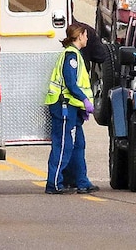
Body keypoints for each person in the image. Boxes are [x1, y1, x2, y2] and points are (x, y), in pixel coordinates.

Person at [44, 23, 98, 195]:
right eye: (86, 35)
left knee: (78, 144)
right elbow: (71, 83)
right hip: (64, 107)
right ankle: (54, 183)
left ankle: (82, 181)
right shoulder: (71, 56)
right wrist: (84, 100)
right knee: (64, 145)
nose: (87, 38)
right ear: (80, 35)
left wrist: (83, 107)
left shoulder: (76, 54)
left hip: (73, 108)